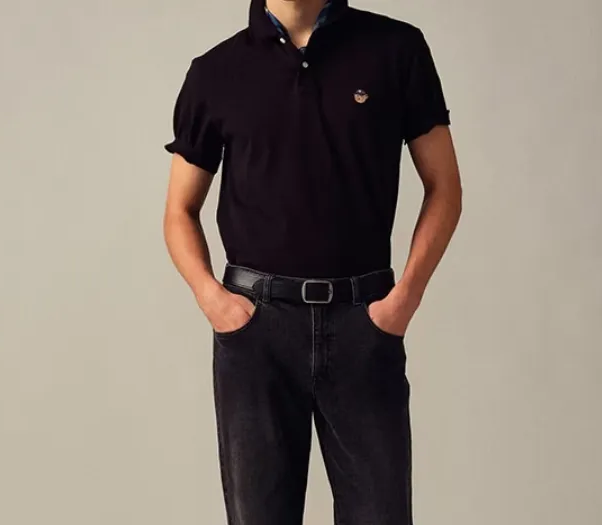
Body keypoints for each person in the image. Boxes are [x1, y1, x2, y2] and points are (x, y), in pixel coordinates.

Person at [163, 0, 462, 523]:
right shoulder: (215, 71)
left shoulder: (396, 50)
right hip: (256, 332)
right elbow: (178, 212)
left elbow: (445, 187)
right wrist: (214, 300)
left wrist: (404, 300)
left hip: (364, 323)